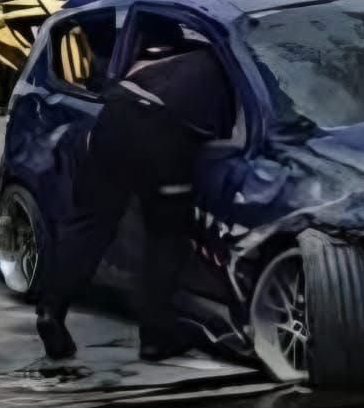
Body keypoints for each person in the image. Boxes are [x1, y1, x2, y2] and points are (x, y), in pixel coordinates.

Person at [33, 27, 237, 363]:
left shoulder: (168, 59)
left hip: (113, 119)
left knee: (90, 226)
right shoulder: (231, 62)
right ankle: (156, 336)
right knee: (165, 234)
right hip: (160, 135)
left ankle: (50, 311)